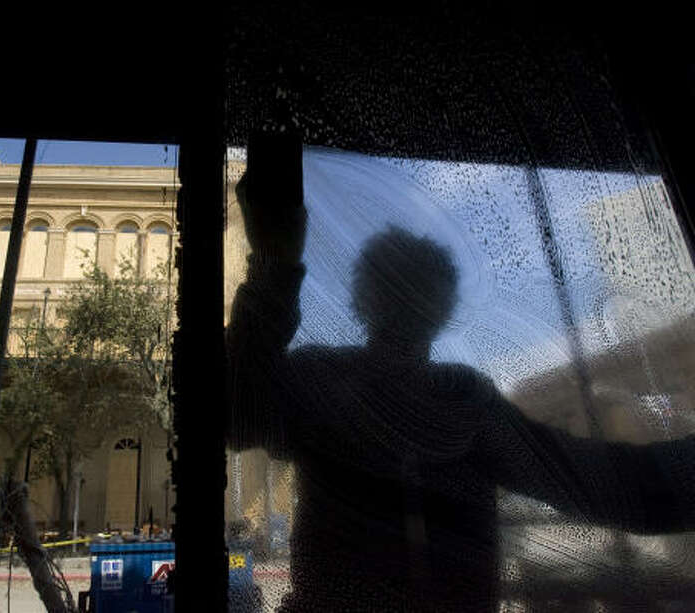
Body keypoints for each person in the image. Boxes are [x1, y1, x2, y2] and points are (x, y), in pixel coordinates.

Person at [225, 140, 695, 612]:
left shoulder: (326, 383)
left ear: (362, 301)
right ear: (444, 310)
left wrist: (275, 263)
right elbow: (611, 491)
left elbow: (233, 413)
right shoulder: (462, 404)